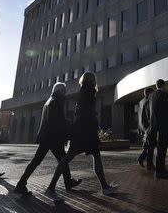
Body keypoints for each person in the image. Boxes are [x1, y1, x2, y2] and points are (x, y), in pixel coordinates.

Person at [45, 72, 117, 202]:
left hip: (79, 130)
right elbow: (86, 112)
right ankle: (105, 188)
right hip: (87, 130)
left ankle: (51, 187)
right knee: (95, 155)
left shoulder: (82, 91)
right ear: (92, 80)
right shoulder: (89, 92)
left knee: (69, 157)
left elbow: (79, 111)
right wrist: (94, 122)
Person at [14, 83, 82, 195]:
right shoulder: (55, 102)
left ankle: (21, 184)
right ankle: (67, 182)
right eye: (64, 90)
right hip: (53, 137)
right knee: (62, 160)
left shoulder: (50, 101)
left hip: (47, 137)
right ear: (60, 91)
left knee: (39, 161)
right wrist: (67, 125)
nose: (66, 92)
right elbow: (55, 122)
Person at [150, 79, 168, 179]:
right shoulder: (164, 94)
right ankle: (160, 170)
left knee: (160, 147)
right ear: (163, 85)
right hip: (163, 126)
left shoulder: (152, 96)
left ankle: (160, 169)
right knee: (163, 147)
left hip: (155, 126)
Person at [137, 87, 154, 170]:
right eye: (152, 93)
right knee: (151, 145)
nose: (153, 94)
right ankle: (149, 164)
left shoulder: (140, 102)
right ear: (149, 93)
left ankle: (142, 158)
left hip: (143, 127)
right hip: (149, 126)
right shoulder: (149, 101)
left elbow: (139, 116)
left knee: (147, 145)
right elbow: (149, 115)